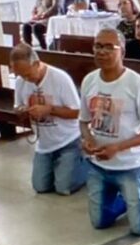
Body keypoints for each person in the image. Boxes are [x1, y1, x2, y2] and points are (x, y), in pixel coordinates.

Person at [79, 28, 140, 235]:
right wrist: (87, 139)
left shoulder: (137, 84)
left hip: (130, 165)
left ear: (122, 52)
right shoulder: (89, 81)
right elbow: (83, 122)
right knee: (99, 221)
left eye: (109, 47)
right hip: (98, 165)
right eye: (98, 46)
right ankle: (132, 200)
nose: (101, 52)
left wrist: (118, 147)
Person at [10, 44, 87, 195]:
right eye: (21, 75)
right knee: (40, 187)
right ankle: (60, 168)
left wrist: (50, 109)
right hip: (44, 143)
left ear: (37, 64)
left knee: (63, 188)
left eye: (28, 74)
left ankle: (86, 163)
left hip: (68, 140)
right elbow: (17, 105)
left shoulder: (60, 78)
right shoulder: (21, 81)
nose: (26, 79)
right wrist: (21, 111)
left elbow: (78, 112)